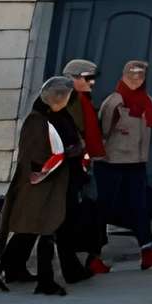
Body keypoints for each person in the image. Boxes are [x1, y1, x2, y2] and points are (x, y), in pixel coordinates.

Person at [0, 77, 77, 296]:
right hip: (39, 184)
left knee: (32, 230)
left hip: (50, 183)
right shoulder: (37, 120)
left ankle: (5, 269)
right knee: (46, 230)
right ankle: (44, 282)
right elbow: (34, 154)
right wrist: (57, 161)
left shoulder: (53, 116)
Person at [99, 60, 152, 269]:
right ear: (124, 75)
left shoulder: (147, 101)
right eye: (132, 74)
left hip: (137, 162)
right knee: (105, 207)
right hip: (113, 162)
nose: (136, 79)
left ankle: (147, 250)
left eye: (140, 75)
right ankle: (93, 255)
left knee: (142, 204)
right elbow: (103, 131)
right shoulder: (114, 102)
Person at [60, 58, 111, 277]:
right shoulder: (71, 102)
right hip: (74, 165)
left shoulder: (83, 101)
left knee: (90, 210)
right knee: (80, 212)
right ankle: (85, 259)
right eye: (88, 79)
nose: (92, 83)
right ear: (73, 78)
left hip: (84, 164)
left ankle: (90, 257)